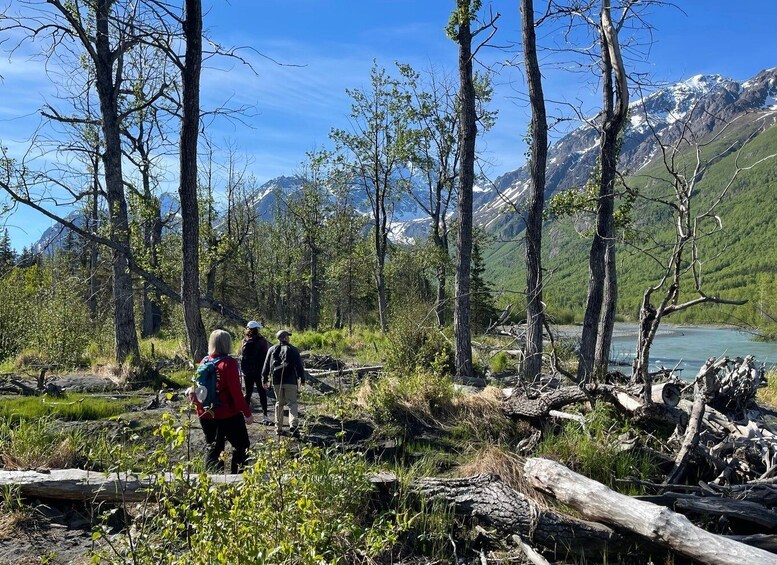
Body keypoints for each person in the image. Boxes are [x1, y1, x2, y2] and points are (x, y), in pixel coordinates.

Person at [193, 329, 253, 473]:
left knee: (213, 448)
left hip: (205, 413)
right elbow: (236, 392)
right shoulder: (228, 363)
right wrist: (247, 413)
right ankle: (238, 479)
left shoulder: (204, 361)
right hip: (227, 414)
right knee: (241, 446)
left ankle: (212, 480)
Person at [262, 329, 305, 436]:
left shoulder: (271, 349)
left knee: (279, 403)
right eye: (288, 336)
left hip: (277, 381)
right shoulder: (294, 349)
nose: (289, 338)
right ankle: (293, 426)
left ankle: (278, 428)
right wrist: (302, 378)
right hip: (291, 381)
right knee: (292, 403)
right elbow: (299, 366)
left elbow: (266, 365)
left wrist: (264, 379)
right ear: (285, 338)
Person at [240, 320, 271, 424]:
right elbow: (266, 356)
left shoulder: (244, 341)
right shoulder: (262, 341)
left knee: (248, 393)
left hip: (247, 372)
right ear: (257, 329)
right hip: (259, 371)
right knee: (262, 393)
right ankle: (265, 416)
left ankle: (246, 415)